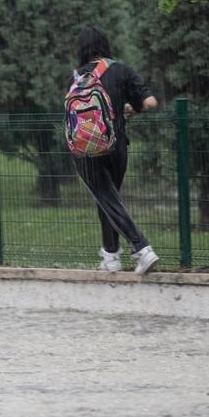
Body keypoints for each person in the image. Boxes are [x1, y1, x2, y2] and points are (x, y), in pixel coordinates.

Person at [69, 26, 160, 275]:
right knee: (108, 199)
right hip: (116, 146)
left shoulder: (76, 77)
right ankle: (111, 255)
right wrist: (129, 109)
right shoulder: (120, 71)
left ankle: (142, 249)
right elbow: (150, 102)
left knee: (107, 199)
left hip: (85, 150)